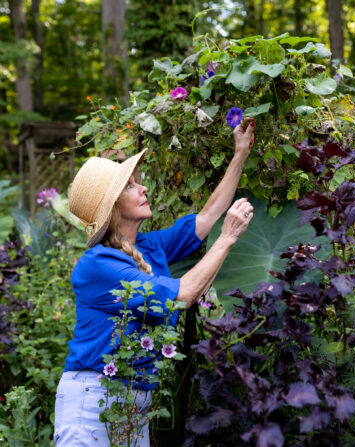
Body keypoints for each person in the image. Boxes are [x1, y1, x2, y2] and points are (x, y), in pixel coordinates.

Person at [53, 119, 255, 446]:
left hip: (135, 401)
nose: (142, 187)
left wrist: (240, 154)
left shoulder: (150, 247)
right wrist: (228, 237)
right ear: (112, 206)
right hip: (94, 400)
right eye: (130, 185)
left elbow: (206, 219)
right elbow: (184, 294)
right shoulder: (99, 265)